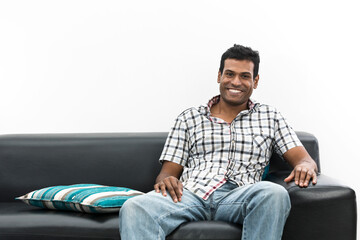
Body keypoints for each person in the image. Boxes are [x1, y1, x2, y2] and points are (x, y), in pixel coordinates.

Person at [119, 44, 318, 240]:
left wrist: (305, 166)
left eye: (245, 76)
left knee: (274, 193)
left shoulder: (270, 116)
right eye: (229, 74)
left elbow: (305, 160)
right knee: (134, 207)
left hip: (240, 196)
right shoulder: (189, 118)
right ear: (219, 76)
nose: (236, 82)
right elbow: (167, 174)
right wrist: (166, 180)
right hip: (190, 195)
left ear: (255, 81)